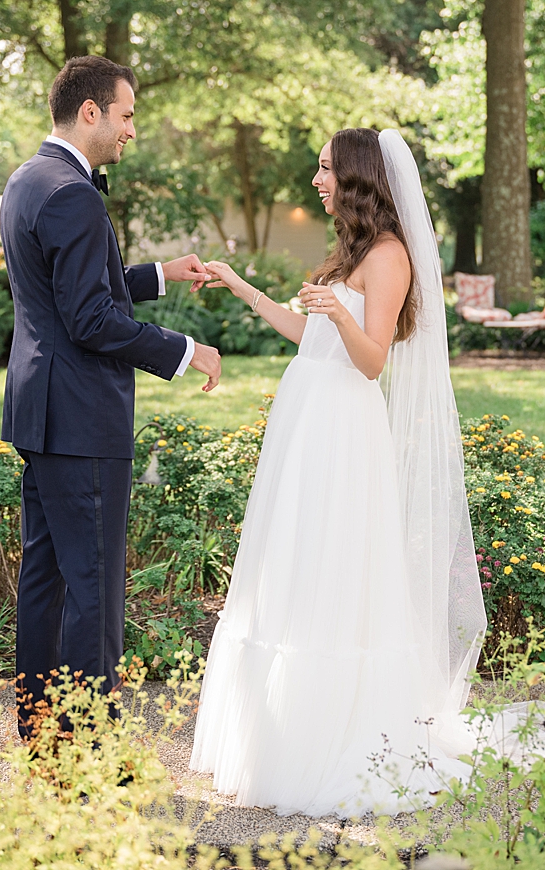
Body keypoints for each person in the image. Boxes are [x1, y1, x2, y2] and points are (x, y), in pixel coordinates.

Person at [191, 128, 486, 815]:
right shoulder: (350, 251)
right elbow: (310, 336)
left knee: (334, 567)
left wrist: (334, 311)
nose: (316, 179)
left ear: (356, 178)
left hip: (346, 429)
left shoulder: (388, 256)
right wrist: (242, 287)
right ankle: (279, 728)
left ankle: (334, 736)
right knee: (292, 561)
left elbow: (373, 357)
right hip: (307, 421)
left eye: (325, 169)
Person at [0, 55, 222, 739]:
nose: (131, 131)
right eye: (126, 116)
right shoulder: (75, 194)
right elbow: (90, 319)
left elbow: (75, 288)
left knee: (46, 579)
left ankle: (40, 730)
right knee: (93, 587)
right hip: (83, 422)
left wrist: (156, 274)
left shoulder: (29, 180)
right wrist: (184, 350)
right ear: (90, 112)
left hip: (41, 416)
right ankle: (89, 739)